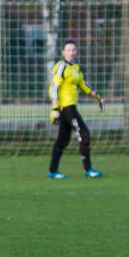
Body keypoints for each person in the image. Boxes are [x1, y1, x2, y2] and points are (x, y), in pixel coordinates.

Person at [46, 38, 104, 179]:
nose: (72, 52)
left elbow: (83, 85)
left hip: (70, 107)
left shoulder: (75, 68)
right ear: (63, 52)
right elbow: (54, 88)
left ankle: (52, 172)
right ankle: (88, 170)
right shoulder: (61, 66)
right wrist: (55, 108)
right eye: (68, 50)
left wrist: (97, 97)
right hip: (66, 107)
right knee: (84, 134)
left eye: (74, 49)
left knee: (62, 140)